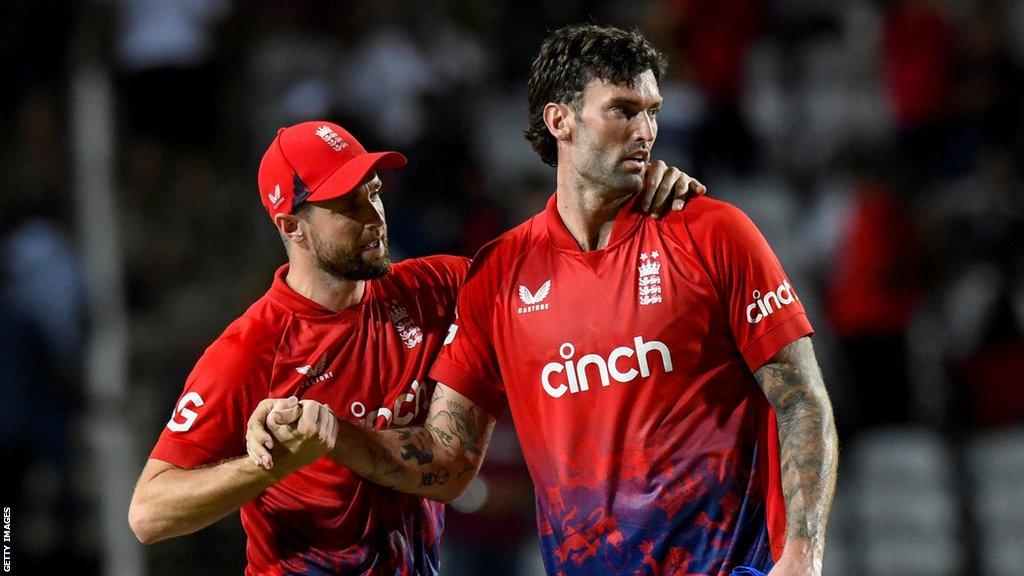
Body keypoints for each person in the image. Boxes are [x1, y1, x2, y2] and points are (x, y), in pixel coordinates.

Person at [250, 24, 839, 576]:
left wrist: (804, 555)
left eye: (652, 111)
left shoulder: (713, 232)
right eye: (623, 110)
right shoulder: (500, 275)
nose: (646, 132)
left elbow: (802, 400)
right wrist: (331, 432)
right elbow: (447, 459)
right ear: (560, 120)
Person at [128, 119, 705, 575]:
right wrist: (269, 465)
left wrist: (634, 202)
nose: (374, 215)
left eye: (373, 192)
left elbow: (564, 265)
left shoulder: (435, 288)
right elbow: (149, 513)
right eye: (347, 204)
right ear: (292, 226)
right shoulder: (251, 349)